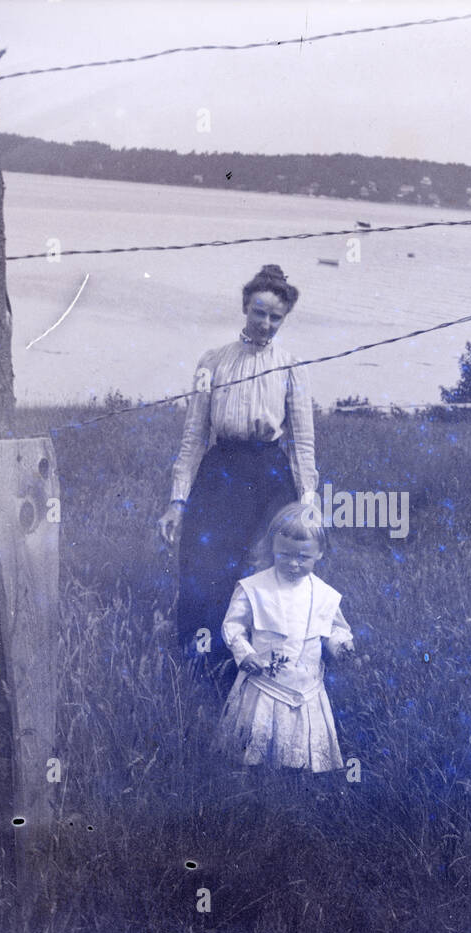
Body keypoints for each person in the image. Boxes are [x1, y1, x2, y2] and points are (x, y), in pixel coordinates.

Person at [157, 265, 319, 673]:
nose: (265, 324)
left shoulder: (291, 367)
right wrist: (177, 501)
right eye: (258, 312)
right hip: (221, 471)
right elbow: (193, 437)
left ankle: (264, 666)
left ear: (284, 319)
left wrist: (308, 502)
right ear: (245, 307)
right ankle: (202, 666)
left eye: (275, 317)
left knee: (270, 572)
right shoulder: (212, 363)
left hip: (269, 474)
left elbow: (302, 442)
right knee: (204, 565)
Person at [214, 502, 358, 773]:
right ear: (273, 548)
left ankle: (299, 777)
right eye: (285, 555)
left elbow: (336, 628)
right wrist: (245, 653)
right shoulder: (254, 588)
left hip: (306, 684)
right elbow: (233, 626)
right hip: (264, 683)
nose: (293, 563)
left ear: (320, 553)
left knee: (300, 752)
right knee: (255, 750)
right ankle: (254, 774)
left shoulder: (325, 595)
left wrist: (341, 646)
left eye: (303, 557)